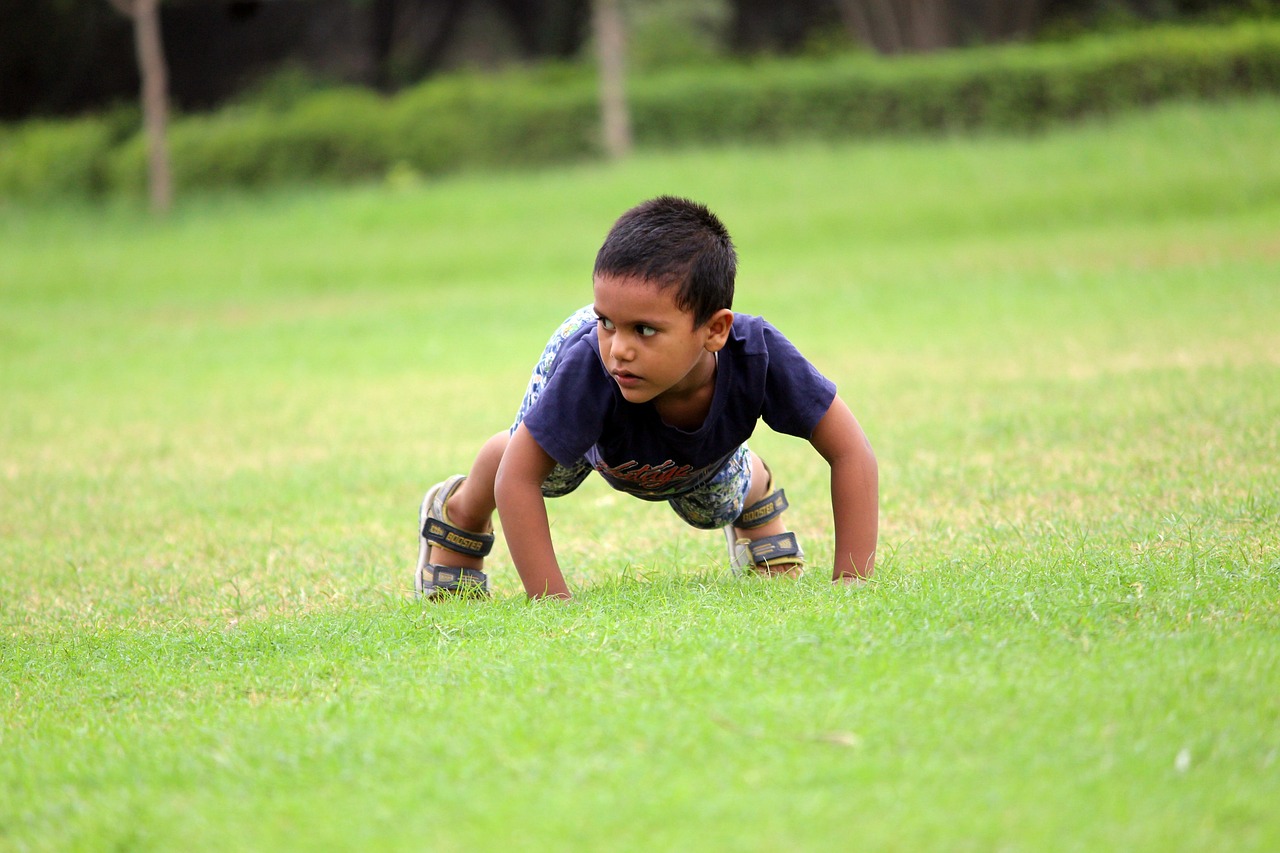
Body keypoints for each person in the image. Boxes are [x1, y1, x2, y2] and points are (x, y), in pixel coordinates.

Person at [415, 195, 878, 600]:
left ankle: (754, 496)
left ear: (715, 330)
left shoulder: (758, 356)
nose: (619, 348)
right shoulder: (593, 361)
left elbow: (851, 450)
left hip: (692, 459)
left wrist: (852, 579)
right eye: (608, 322)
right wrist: (552, 602)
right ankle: (459, 515)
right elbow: (519, 477)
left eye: (645, 330)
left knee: (714, 506)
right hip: (594, 433)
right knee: (537, 464)